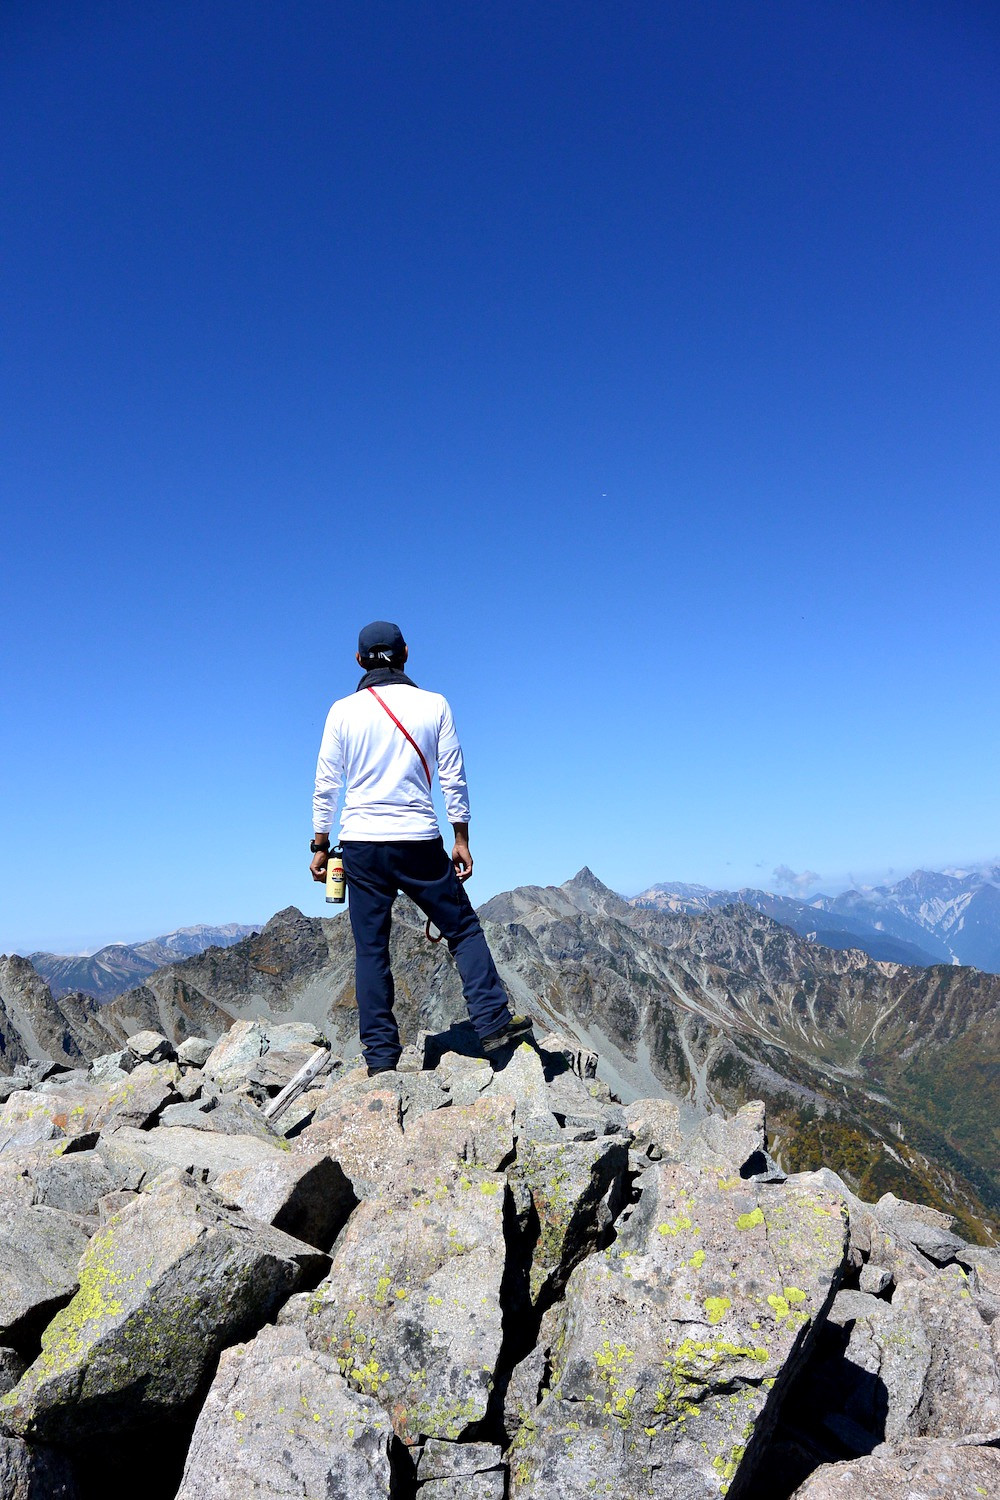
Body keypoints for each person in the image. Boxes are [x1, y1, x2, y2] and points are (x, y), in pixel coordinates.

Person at [310, 620, 533, 1076]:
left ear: (358, 661)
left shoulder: (341, 712)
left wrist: (319, 844)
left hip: (360, 846)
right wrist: (462, 839)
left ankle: (380, 1060)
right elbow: (453, 776)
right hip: (417, 838)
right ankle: (491, 1020)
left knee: (371, 949)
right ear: (406, 653)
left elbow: (326, 785)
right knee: (463, 928)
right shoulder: (435, 705)